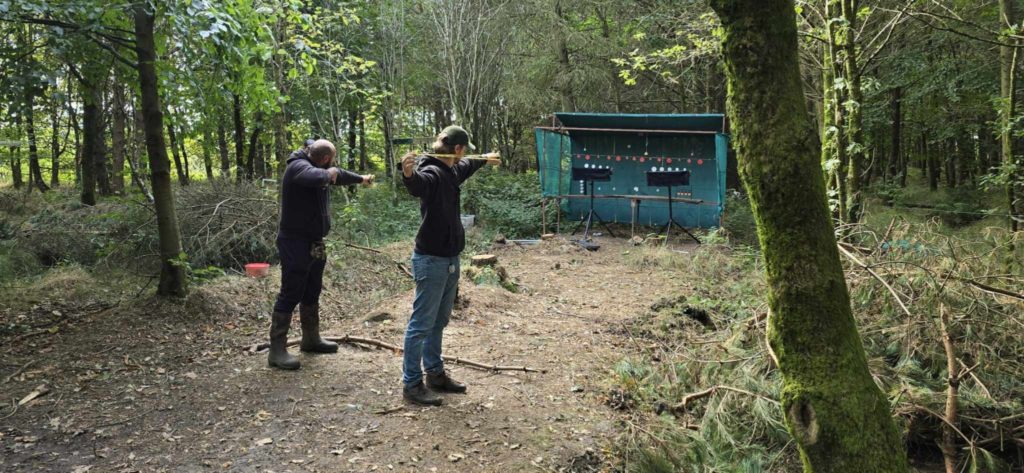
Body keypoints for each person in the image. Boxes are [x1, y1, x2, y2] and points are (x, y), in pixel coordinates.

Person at [399, 125, 499, 405]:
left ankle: (435, 374)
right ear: (457, 149)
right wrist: (408, 175)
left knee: (439, 321)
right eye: (464, 150)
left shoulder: (452, 169)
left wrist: (486, 158)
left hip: (450, 259)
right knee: (421, 324)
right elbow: (419, 184)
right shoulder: (431, 172)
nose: (465, 155)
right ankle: (411, 384)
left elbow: (467, 165)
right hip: (430, 260)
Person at [268, 139, 374, 370]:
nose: (332, 166)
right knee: (290, 291)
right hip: (294, 242)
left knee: (312, 289)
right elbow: (316, 177)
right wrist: (330, 173)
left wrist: (360, 179)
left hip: (315, 242)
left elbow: (338, 175)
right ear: (325, 159)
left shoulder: (317, 164)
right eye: (331, 162)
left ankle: (311, 339)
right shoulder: (297, 166)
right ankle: (276, 351)